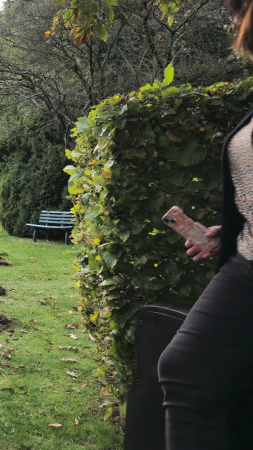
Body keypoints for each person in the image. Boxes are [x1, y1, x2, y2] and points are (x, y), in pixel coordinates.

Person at [158, 1, 253, 446]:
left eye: (239, 9)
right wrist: (228, 232)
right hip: (246, 261)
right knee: (186, 369)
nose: (233, 22)